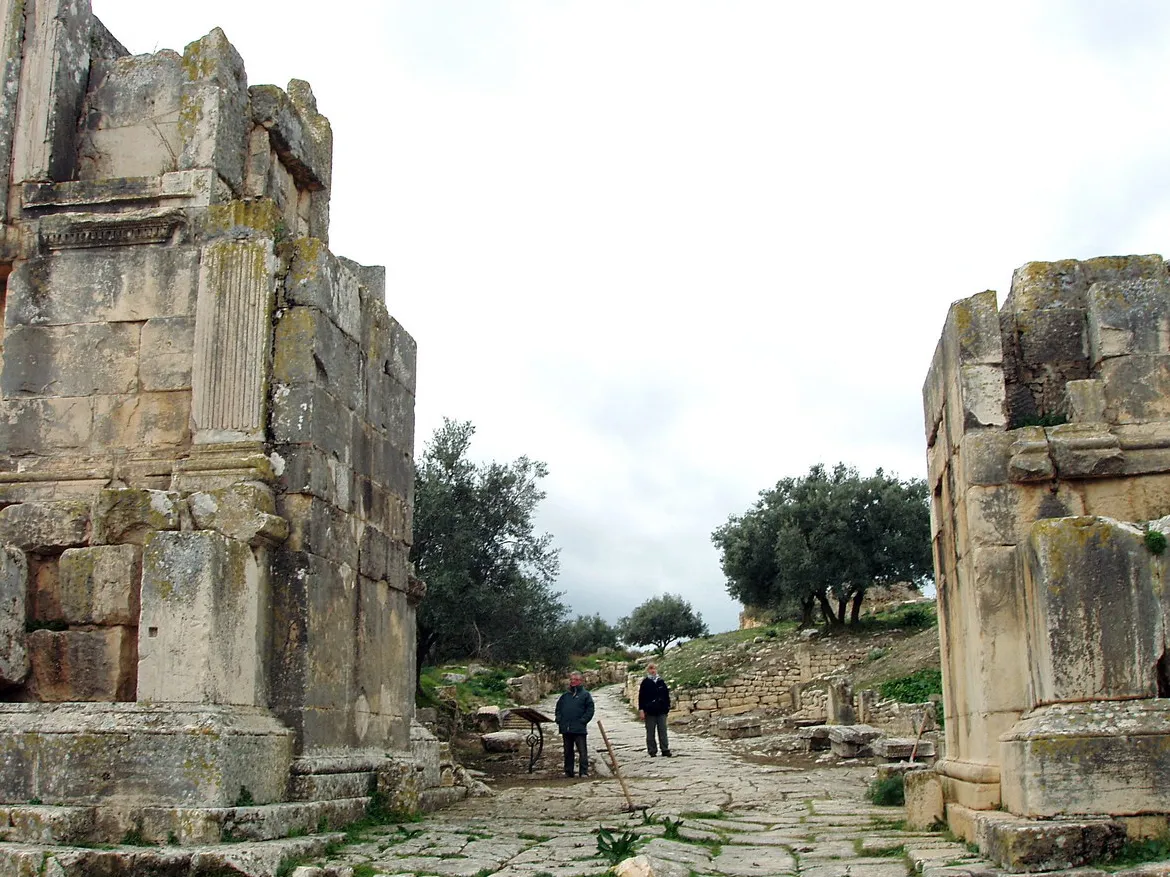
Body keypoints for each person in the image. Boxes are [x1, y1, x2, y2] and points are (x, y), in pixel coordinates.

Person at [555, 670, 595, 778]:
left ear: (581, 681)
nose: (573, 682)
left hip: (579, 728)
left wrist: (583, 720)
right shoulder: (565, 696)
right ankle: (568, 772)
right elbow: (558, 708)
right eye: (571, 680)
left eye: (576, 680)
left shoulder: (585, 695)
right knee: (568, 751)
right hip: (566, 728)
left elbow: (590, 709)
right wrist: (559, 719)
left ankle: (583, 772)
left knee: (582, 751)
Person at [638, 662, 672, 757]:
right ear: (648, 670)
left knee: (663, 731)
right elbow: (641, 697)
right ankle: (652, 750)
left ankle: (665, 749)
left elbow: (666, 695)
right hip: (650, 711)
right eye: (650, 669)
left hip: (661, 711)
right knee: (650, 732)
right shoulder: (645, 682)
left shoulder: (661, 681)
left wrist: (667, 707)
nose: (653, 670)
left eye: (654, 668)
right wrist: (641, 710)